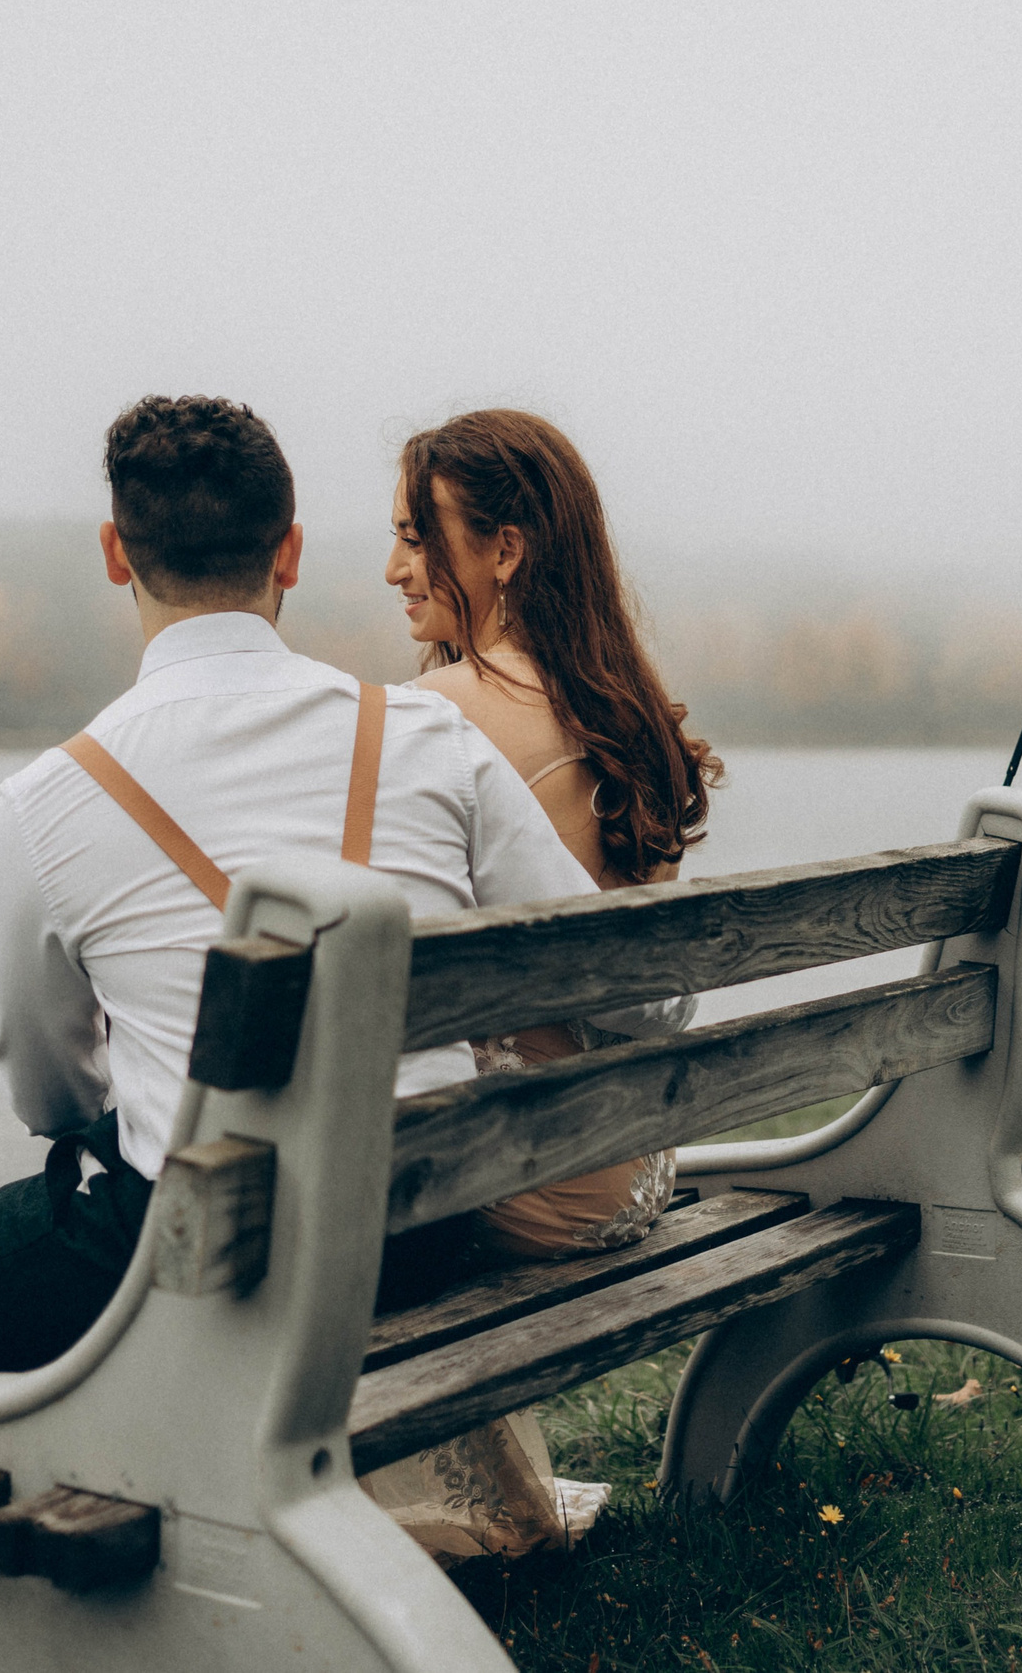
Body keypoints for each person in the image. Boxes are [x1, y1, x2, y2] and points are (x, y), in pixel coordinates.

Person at [0, 395, 617, 1673]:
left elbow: (46, 1092)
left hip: (216, 1262)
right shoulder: (427, 734)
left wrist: (124, 1105)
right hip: (431, 1234)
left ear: (116, 552)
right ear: (289, 551)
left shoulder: (50, 801)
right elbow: (623, 990)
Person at [359, 409, 721, 1562]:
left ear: (503, 551)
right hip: (635, 1164)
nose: (395, 567)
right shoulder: (630, 709)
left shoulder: (432, 720)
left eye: (422, 538)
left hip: (532, 1189)